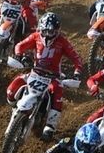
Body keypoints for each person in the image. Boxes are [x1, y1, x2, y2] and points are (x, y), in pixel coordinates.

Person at [5, 12, 84, 140]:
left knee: (57, 90)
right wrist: (20, 55)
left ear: (57, 31)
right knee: (12, 90)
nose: (47, 35)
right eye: (44, 31)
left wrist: (77, 73)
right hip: (35, 73)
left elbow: (77, 59)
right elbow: (20, 45)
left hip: (53, 77)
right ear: (40, 29)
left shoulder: (62, 42)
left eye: (50, 31)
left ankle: (50, 126)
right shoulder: (35, 36)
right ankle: (17, 110)